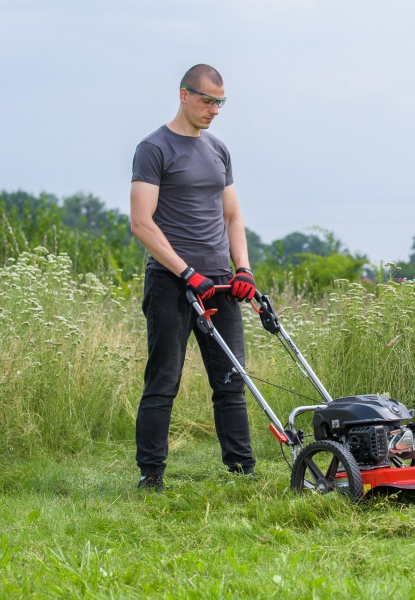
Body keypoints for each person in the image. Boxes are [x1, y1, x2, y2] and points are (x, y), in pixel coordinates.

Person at [130, 64, 258, 491]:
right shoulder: (153, 148)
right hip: (172, 284)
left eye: (219, 103)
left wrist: (244, 270)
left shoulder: (218, 150)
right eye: (207, 100)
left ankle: (242, 471)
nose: (214, 110)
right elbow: (141, 223)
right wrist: (186, 272)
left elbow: (233, 217)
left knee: (231, 379)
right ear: (183, 95)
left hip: (220, 284)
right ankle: (151, 474)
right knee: (164, 379)